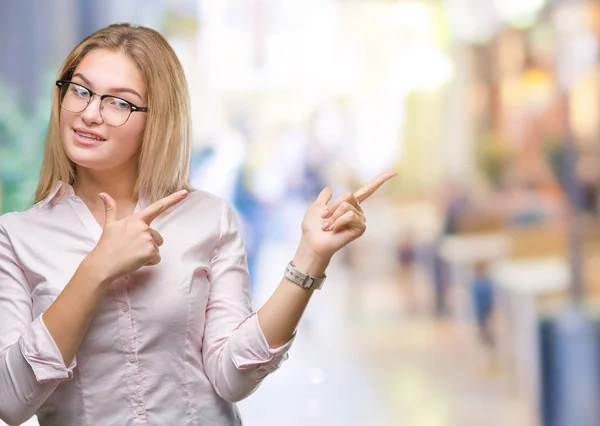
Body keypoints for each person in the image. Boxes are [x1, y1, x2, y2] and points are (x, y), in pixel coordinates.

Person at [0, 23, 396, 425]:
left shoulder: (208, 218)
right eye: (81, 90)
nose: (89, 113)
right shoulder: (16, 237)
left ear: (158, 119)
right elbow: (11, 402)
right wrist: (95, 270)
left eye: (119, 103)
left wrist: (311, 257)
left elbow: (232, 378)